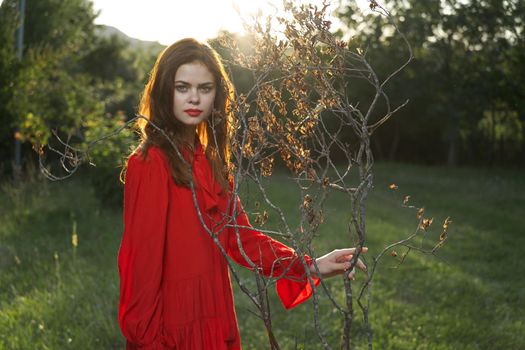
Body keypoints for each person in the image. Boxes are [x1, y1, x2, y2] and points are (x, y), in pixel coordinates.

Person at [117, 38, 367, 350]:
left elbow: (241, 239)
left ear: (216, 96)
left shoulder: (210, 160)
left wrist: (308, 265)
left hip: (214, 311)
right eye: (183, 87)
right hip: (172, 327)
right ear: (165, 90)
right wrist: (148, 339)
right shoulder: (150, 162)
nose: (194, 98)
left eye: (205, 88)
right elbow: (140, 265)